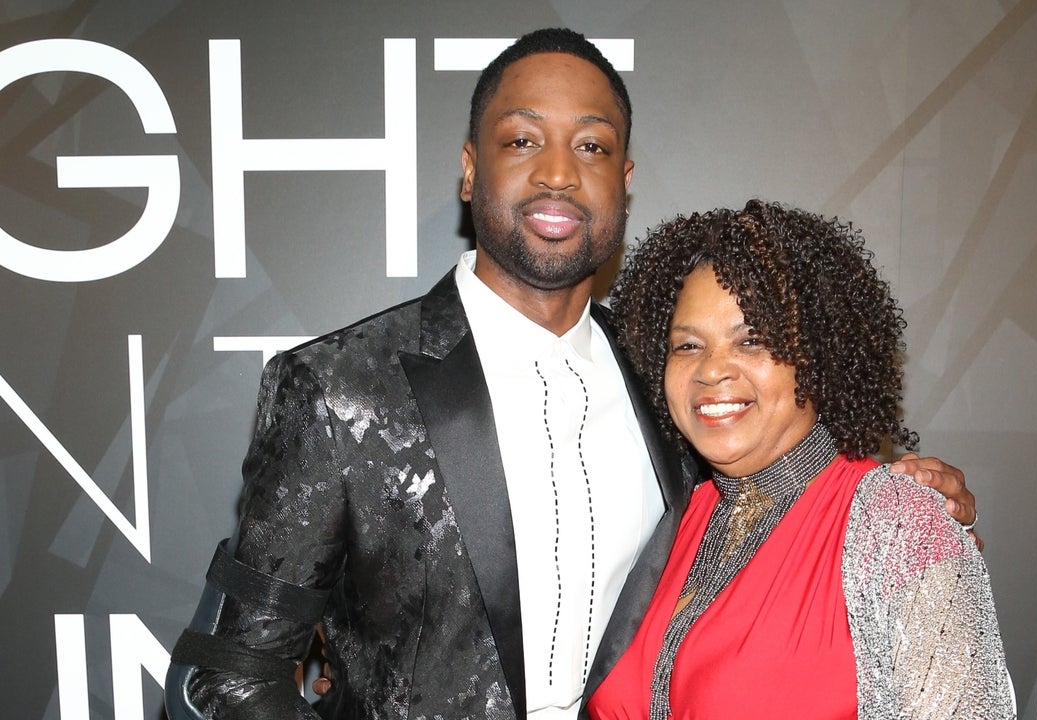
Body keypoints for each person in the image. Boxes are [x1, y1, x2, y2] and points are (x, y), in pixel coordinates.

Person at [165, 29, 981, 720]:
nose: (558, 172)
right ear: (468, 170)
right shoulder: (340, 388)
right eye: (522, 140)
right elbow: (226, 672)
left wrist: (905, 505)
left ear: (624, 184)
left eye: (591, 145)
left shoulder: (677, 386)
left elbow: (783, 502)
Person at [589, 200, 1014, 719]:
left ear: (817, 353)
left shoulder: (897, 525)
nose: (712, 370)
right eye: (687, 346)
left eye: (752, 340)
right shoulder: (668, 516)